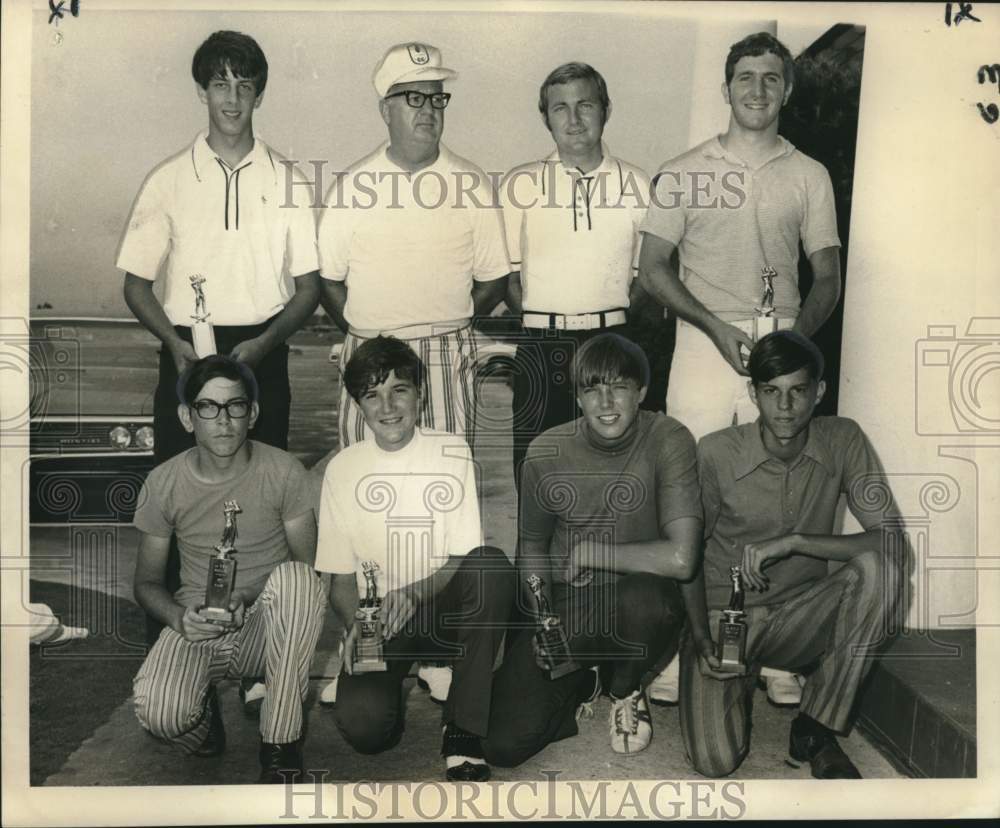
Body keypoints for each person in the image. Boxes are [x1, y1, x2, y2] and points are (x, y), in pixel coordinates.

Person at [639, 32, 841, 704]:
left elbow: (828, 276)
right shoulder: (684, 168)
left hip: (780, 345)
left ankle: (780, 648)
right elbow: (653, 268)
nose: (757, 90)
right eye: (746, 77)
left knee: (781, 494)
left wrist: (791, 343)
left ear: (788, 90)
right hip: (706, 340)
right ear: (726, 88)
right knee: (688, 499)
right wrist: (711, 325)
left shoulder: (809, 173)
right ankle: (677, 648)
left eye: (771, 79)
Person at [117, 31, 321, 659]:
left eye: (245, 83)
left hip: (263, 351)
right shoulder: (169, 179)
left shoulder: (288, 178)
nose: (232, 97)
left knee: (268, 506)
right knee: (179, 502)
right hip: (188, 355)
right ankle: (173, 654)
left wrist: (263, 343)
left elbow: (309, 290)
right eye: (220, 83)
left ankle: (265, 659)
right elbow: (136, 286)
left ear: (259, 92)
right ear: (202, 90)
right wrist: (177, 346)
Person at [679, 330, 905, 779]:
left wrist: (797, 541)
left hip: (800, 617)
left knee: (880, 570)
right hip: (728, 623)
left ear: (819, 392)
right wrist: (701, 635)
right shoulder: (716, 451)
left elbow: (894, 542)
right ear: (753, 393)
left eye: (798, 391)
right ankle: (734, 685)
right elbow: (686, 556)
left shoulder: (843, 438)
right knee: (715, 761)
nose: (784, 407)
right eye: (771, 392)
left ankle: (815, 727)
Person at [482, 333, 701, 764]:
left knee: (647, 600)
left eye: (618, 386)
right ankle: (584, 681)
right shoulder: (546, 451)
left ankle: (626, 686)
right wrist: (543, 615)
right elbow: (530, 545)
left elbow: (682, 557)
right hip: (572, 607)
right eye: (591, 389)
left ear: (641, 391)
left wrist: (591, 553)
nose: (605, 401)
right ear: (578, 397)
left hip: (635, 601)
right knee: (502, 746)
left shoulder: (670, 439)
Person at [315, 336, 514, 782]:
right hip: (381, 620)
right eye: (372, 394)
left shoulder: (452, 450)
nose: (387, 406)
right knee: (367, 730)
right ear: (358, 406)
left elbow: (463, 556)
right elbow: (339, 576)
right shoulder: (342, 468)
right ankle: (405, 674)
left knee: (491, 566)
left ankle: (462, 731)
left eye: (398, 390)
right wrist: (357, 630)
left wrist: (413, 591)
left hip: (439, 608)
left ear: (420, 396)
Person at [131, 355, 326, 783]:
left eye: (235, 406)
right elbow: (145, 583)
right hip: (197, 626)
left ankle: (279, 745)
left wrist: (247, 597)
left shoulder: (284, 471)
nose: (223, 420)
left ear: (252, 413)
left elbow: (309, 568)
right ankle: (202, 718)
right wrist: (179, 617)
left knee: (299, 581)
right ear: (187, 416)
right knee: (161, 716)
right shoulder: (162, 482)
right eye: (208, 407)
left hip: (265, 624)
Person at [318, 42, 510, 451]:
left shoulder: (472, 184)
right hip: (369, 351)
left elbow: (494, 279)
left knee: (445, 481)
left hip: (447, 354)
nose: (429, 110)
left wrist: (447, 324)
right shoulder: (351, 187)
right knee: (365, 482)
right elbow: (328, 281)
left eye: (437, 99)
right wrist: (367, 335)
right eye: (414, 98)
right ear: (385, 109)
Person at [501, 63, 650, 492]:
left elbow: (646, 278)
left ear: (606, 109)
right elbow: (509, 279)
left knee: (615, 477)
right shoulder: (520, 185)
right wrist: (546, 323)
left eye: (585, 105)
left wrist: (611, 327)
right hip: (541, 350)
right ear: (545, 117)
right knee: (536, 473)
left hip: (612, 346)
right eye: (559, 108)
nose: (573, 119)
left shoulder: (637, 185)